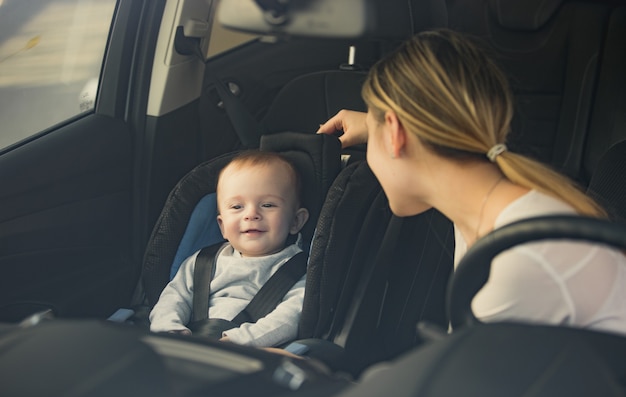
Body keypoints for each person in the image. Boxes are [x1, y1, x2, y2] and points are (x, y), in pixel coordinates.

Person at [317, 29, 626, 335]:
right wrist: (375, 127)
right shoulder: (492, 206)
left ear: (396, 133)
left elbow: (473, 382)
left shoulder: (519, 257)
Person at [149, 151, 310, 347]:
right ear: (222, 226)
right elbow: (173, 298)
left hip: (252, 352)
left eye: (267, 204)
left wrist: (236, 342)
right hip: (188, 344)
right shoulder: (202, 261)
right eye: (236, 207)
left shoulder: (300, 271)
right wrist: (169, 329)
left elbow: (290, 317)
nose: (251, 214)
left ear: (296, 221)